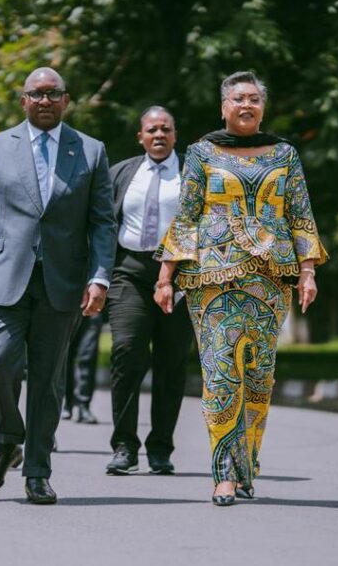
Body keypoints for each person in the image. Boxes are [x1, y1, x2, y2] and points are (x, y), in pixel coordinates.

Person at [154, 72, 327, 506]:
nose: (246, 105)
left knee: (259, 377)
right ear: (223, 107)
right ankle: (223, 476)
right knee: (220, 374)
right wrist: (164, 276)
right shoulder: (201, 152)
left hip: (271, 279)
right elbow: (187, 215)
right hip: (211, 278)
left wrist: (308, 272)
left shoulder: (285, 154)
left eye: (253, 99)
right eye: (238, 99)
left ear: (262, 107)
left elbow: (300, 215)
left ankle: (247, 466)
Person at [0, 67, 116, 504]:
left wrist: (100, 277)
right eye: (36, 94)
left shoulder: (90, 150)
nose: (45, 101)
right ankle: (6, 441)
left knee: (47, 381)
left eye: (53, 94)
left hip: (62, 283)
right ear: (23, 100)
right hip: (4, 278)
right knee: (0, 363)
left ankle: (37, 472)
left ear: (67, 100)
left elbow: (103, 222)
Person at [105, 107, 193, 476]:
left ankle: (160, 448)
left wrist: (178, 277)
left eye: (166, 129)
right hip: (130, 272)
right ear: (140, 136)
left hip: (183, 276)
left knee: (171, 363)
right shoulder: (122, 173)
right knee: (127, 353)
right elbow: (104, 223)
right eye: (152, 130)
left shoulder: (192, 172)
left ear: (175, 135)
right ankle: (125, 446)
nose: (159, 135)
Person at [61, 313, 103, 425]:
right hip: (66, 306)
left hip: (92, 308)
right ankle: (67, 402)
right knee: (64, 357)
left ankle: (84, 405)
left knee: (88, 356)